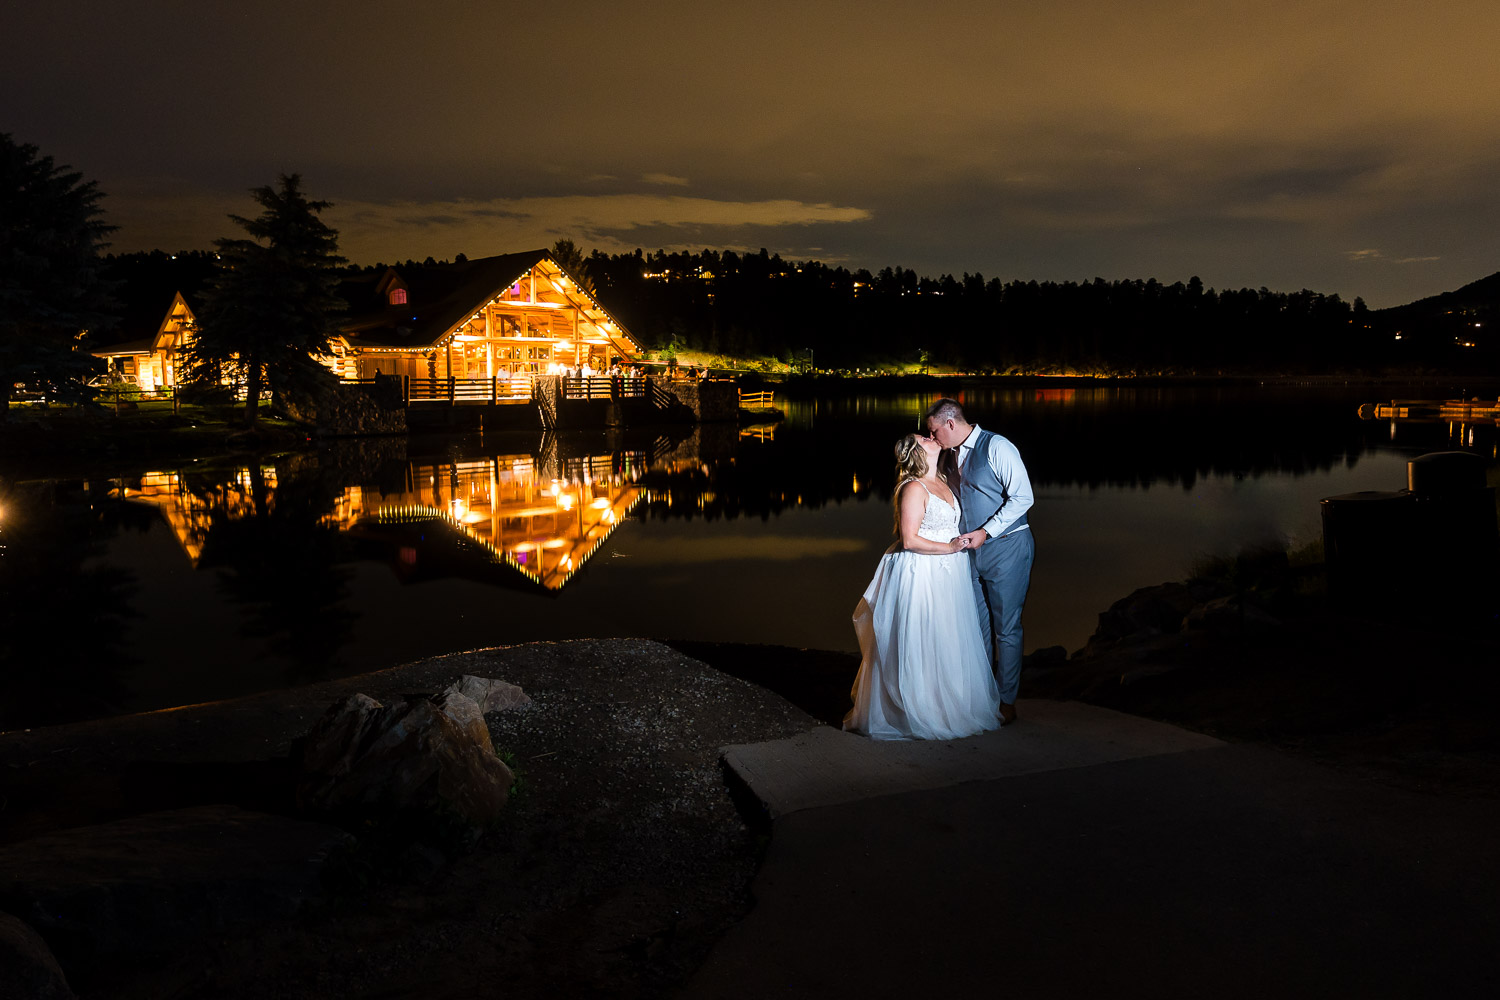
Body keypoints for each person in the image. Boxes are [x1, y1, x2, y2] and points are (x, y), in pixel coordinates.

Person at [844, 433, 1002, 740]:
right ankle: (916, 710)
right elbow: (909, 539)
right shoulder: (914, 487)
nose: (931, 436)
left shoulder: (942, 481)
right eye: (924, 438)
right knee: (922, 636)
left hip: (948, 574)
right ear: (916, 452)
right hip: (922, 572)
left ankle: (948, 706)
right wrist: (950, 548)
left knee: (947, 636)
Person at [926, 398, 1034, 726]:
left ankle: (1006, 700)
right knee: (976, 627)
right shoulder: (949, 455)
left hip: (1007, 547)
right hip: (969, 553)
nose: (932, 438)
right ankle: (982, 695)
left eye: (934, 431)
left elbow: (1024, 497)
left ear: (950, 423)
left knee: (1007, 629)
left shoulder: (998, 447)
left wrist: (987, 531)